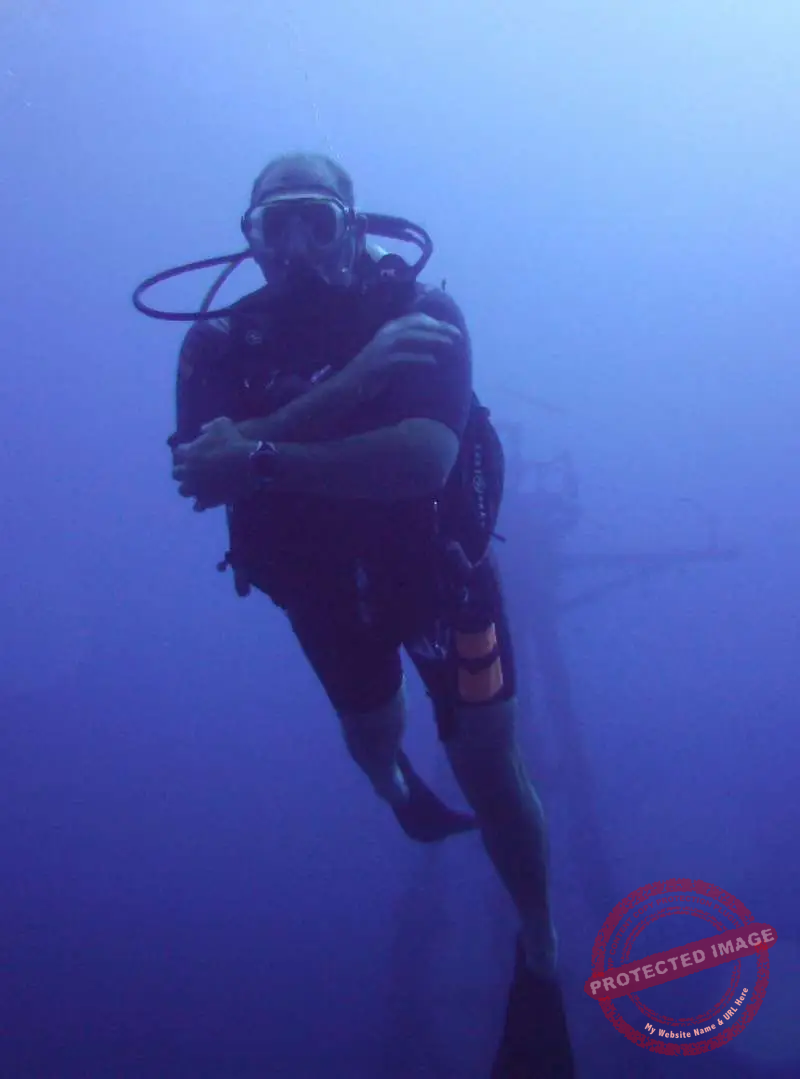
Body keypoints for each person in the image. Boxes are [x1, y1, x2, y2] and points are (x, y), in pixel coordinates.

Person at [166, 152, 574, 1076]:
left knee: (490, 762)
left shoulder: (423, 313)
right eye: (275, 226)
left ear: (351, 224)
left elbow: (424, 460)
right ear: (251, 240)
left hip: (440, 576)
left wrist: (257, 451)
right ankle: (399, 793)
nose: (297, 246)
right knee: (370, 733)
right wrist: (355, 385)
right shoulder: (219, 343)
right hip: (317, 588)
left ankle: (542, 947)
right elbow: (199, 473)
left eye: (315, 220)